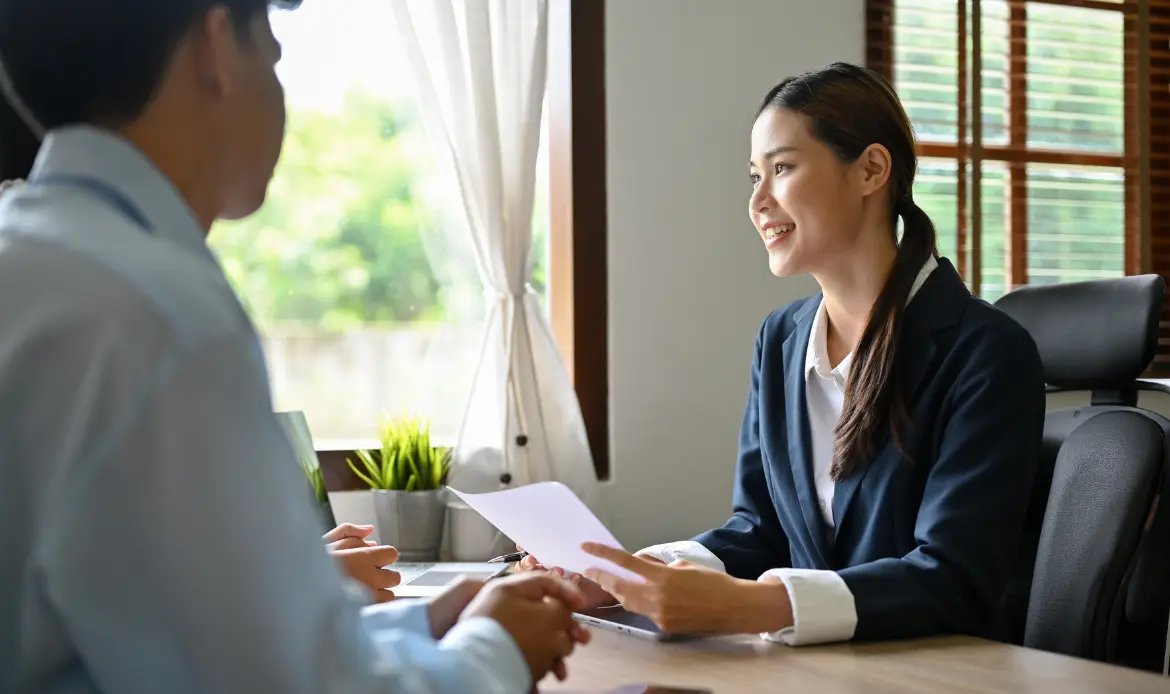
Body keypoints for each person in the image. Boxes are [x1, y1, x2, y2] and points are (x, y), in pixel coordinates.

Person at [0, 2, 589, 692]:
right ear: (215, 45)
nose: (282, 94)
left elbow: (172, 640)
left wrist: (424, 623)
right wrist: (497, 649)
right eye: (275, 56)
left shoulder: (38, 264)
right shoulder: (156, 319)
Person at [521, 62, 1046, 646]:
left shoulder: (986, 352)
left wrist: (755, 606)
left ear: (871, 169)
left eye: (783, 168)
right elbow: (760, 530)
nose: (758, 201)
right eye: (754, 177)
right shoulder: (781, 340)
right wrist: (626, 577)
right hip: (812, 670)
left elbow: (954, 578)